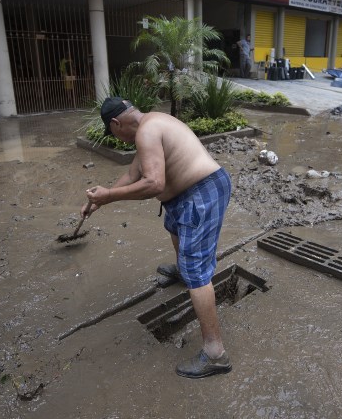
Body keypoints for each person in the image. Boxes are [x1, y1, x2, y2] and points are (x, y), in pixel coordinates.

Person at [82, 97, 233, 379]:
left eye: (112, 132)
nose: (118, 138)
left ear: (116, 123)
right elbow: (132, 174)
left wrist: (109, 195)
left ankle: (215, 354)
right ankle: (182, 270)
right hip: (187, 195)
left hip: (202, 191)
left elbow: (153, 183)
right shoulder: (149, 123)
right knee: (174, 225)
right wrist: (100, 201)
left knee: (197, 271)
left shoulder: (147, 131)